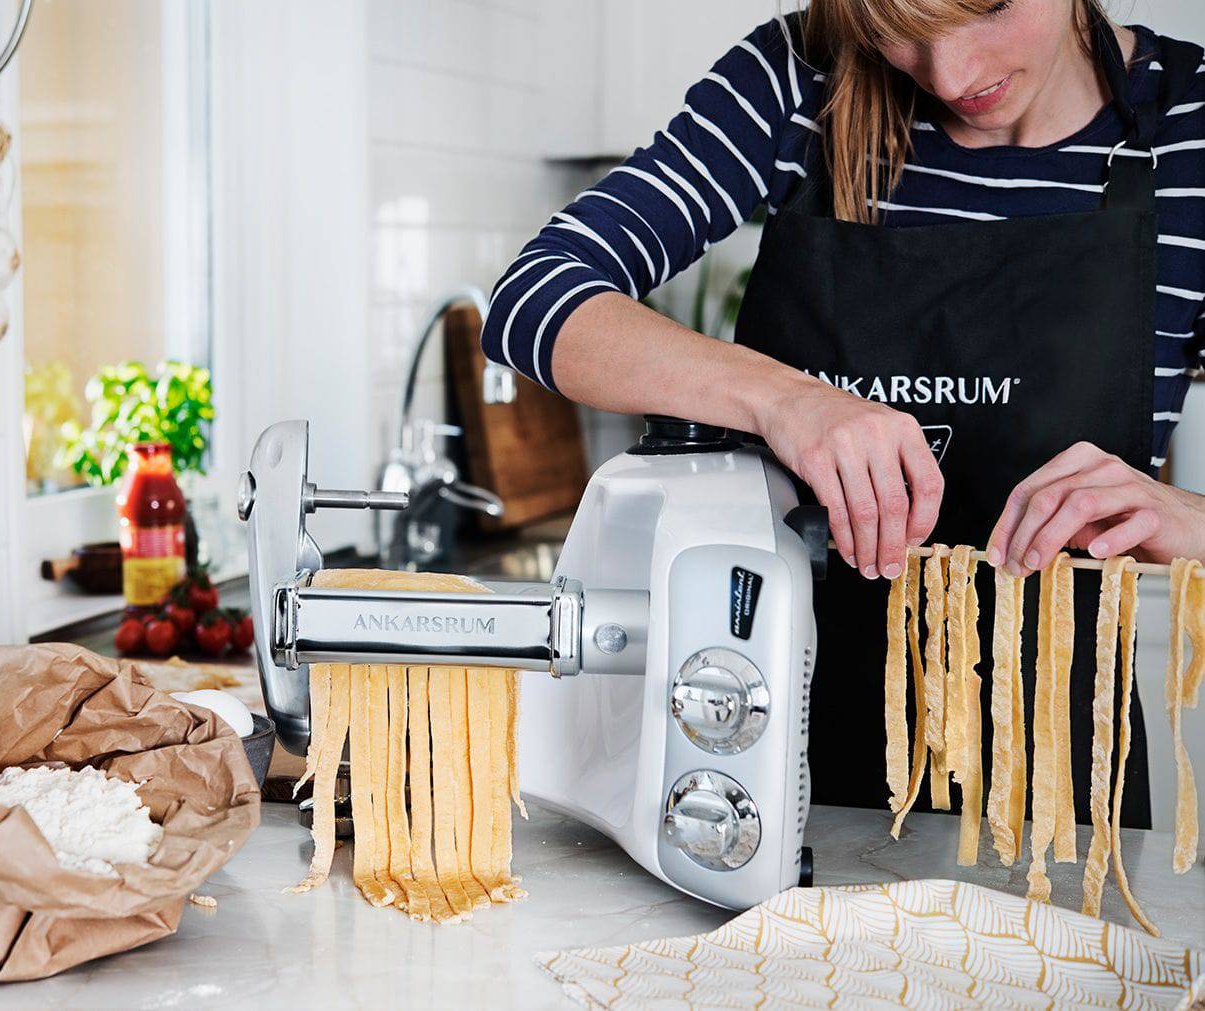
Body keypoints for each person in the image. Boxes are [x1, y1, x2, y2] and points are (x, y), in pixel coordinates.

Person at [483, 0, 1205, 825]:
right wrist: (787, 399)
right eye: (900, 30)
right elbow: (536, 298)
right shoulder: (798, 80)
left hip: (1060, 802)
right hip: (754, 756)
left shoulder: (1188, 126)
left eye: (991, 8)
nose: (952, 75)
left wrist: (1189, 518)